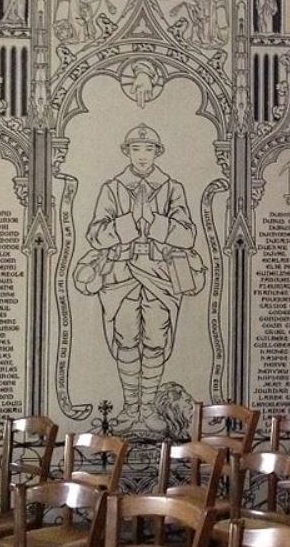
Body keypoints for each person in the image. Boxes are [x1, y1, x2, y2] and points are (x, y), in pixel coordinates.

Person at [75, 124, 205, 433]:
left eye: (148, 149)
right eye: (136, 149)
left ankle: (148, 410)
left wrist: (158, 225)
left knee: (155, 341)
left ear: (156, 153)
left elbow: (187, 235)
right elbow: (95, 234)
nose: (142, 156)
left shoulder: (172, 188)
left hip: (160, 276)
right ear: (127, 152)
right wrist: (129, 225)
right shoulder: (113, 188)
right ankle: (130, 408)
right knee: (127, 339)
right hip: (122, 276)